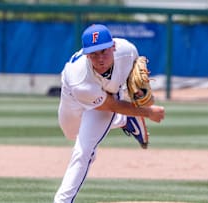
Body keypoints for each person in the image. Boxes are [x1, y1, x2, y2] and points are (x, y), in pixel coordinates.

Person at [53, 24, 165, 203]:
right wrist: (147, 112)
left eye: (104, 51)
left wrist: (139, 96)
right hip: (73, 97)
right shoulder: (79, 79)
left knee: (83, 151)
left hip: (111, 95)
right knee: (71, 133)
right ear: (86, 54)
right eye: (94, 54)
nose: (100, 59)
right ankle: (124, 119)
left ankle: (62, 201)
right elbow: (111, 105)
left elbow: (136, 86)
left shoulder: (128, 51)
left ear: (113, 46)